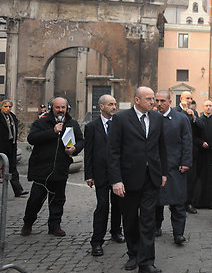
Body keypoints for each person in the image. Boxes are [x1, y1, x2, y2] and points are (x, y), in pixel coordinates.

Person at [108, 87, 168, 273]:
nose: (153, 102)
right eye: (149, 99)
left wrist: (163, 173)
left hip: (152, 178)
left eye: (154, 98)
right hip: (128, 179)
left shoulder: (157, 118)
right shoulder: (120, 119)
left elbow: (161, 147)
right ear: (137, 100)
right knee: (131, 219)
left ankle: (146, 262)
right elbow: (113, 152)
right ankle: (133, 253)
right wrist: (116, 180)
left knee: (148, 219)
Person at [21, 97, 84, 237]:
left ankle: (55, 226)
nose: (61, 110)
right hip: (42, 169)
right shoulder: (41, 122)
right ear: (52, 108)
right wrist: (53, 132)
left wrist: (74, 149)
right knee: (35, 200)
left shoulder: (72, 123)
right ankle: (28, 223)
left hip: (60, 169)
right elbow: (32, 138)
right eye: (58, 107)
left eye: (63, 107)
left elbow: (80, 141)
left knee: (58, 200)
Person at [84, 94, 124, 256]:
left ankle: (116, 232)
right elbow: (89, 152)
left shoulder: (120, 124)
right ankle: (97, 242)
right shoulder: (92, 127)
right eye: (110, 104)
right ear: (101, 106)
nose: (114, 107)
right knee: (102, 206)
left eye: (115, 104)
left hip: (118, 174)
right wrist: (89, 174)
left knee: (118, 205)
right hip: (100, 174)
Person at [154, 90, 192, 245]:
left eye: (163, 101)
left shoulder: (181, 119)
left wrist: (186, 162)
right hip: (156, 167)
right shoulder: (151, 118)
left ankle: (178, 233)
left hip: (175, 166)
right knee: (156, 201)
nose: (159, 104)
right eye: (157, 101)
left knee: (177, 201)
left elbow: (187, 141)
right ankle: (156, 227)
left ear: (170, 102)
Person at [176, 91, 199, 215]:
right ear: (181, 99)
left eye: (191, 98)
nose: (189, 101)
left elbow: (201, 127)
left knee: (191, 180)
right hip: (177, 152)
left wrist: (194, 117)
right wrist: (184, 113)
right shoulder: (175, 111)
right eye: (187, 98)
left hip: (191, 151)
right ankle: (177, 203)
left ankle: (188, 203)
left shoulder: (194, 112)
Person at [193, 99, 212, 208]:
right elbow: (194, 136)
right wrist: (201, 143)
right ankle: (200, 202)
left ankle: (211, 202)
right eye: (206, 105)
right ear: (203, 107)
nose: (208, 107)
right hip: (201, 154)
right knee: (201, 178)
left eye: (210, 105)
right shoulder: (199, 120)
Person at [0, 99, 27, 197]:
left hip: (11, 146)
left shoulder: (13, 117)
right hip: (1, 147)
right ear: (1, 106)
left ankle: (18, 190)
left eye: (9, 107)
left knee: (13, 168)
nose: (7, 109)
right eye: (5, 106)